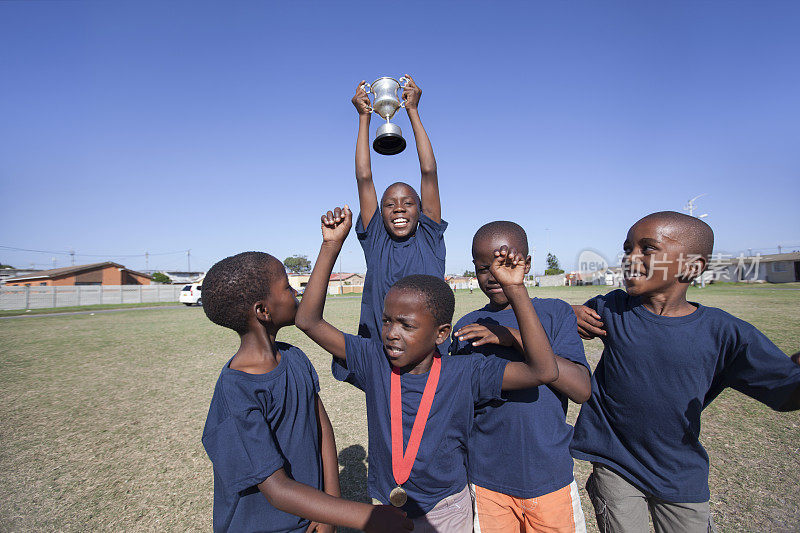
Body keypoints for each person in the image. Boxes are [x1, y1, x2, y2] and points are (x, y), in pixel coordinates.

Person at [296, 205, 561, 532]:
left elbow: (543, 371)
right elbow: (307, 320)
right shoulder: (373, 359)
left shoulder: (465, 372)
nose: (392, 332)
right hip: (386, 508)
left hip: (447, 510)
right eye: (386, 321)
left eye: (406, 325)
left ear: (441, 334)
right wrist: (331, 246)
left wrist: (516, 290)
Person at [569, 211, 800, 533]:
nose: (630, 258)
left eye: (647, 249)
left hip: (679, 472)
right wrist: (568, 312)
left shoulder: (725, 333)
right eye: (627, 249)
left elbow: (785, 393)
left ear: (692, 267)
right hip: (615, 462)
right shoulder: (614, 308)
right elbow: (552, 325)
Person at [199, 251, 412, 533]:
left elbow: (323, 430)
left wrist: (329, 510)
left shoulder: (293, 357)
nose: (295, 291)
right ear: (263, 311)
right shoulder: (236, 391)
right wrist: (366, 516)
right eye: (287, 287)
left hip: (312, 519)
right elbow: (276, 489)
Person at [450, 221, 591, 533]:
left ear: (526, 263)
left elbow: (581, 389)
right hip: (488, 480)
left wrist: (509, 335)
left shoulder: (555, 313)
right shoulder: (469, 325)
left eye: (505, 264)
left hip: (549, 476)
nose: (494, 275)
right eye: (483, 266)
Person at [333, 76, 446, 383]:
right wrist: (364, 118)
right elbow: (364, 177)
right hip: (384, 359)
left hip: (430, 358)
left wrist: (412, 111)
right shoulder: (376, 240)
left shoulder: (429, 236)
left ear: (421, 211)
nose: (398, 208)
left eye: (408, 203)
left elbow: (429, 171)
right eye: (390, 204)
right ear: (379, 214)